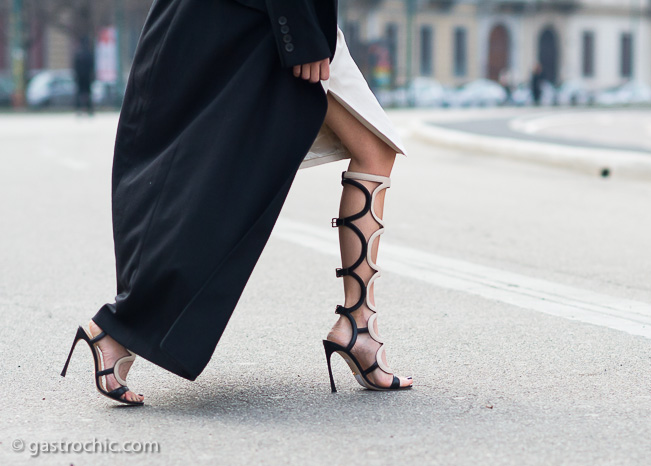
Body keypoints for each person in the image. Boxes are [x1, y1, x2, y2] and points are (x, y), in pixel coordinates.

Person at [60, 0, 413, 405]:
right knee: (218, 182)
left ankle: (359, 325)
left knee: (214, 177)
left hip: (249, 17)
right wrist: (299, 31)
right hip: (265, 19)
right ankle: (358, 329)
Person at [73, 37, 94, 115]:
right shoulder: (88, 54)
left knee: (80, 93)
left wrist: (76, 76)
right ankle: (89, 109)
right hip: (87, 77)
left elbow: (75, 67)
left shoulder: (78, 54)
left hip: (80, 77)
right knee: (87, 93)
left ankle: (79, 109)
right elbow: (91, 66)